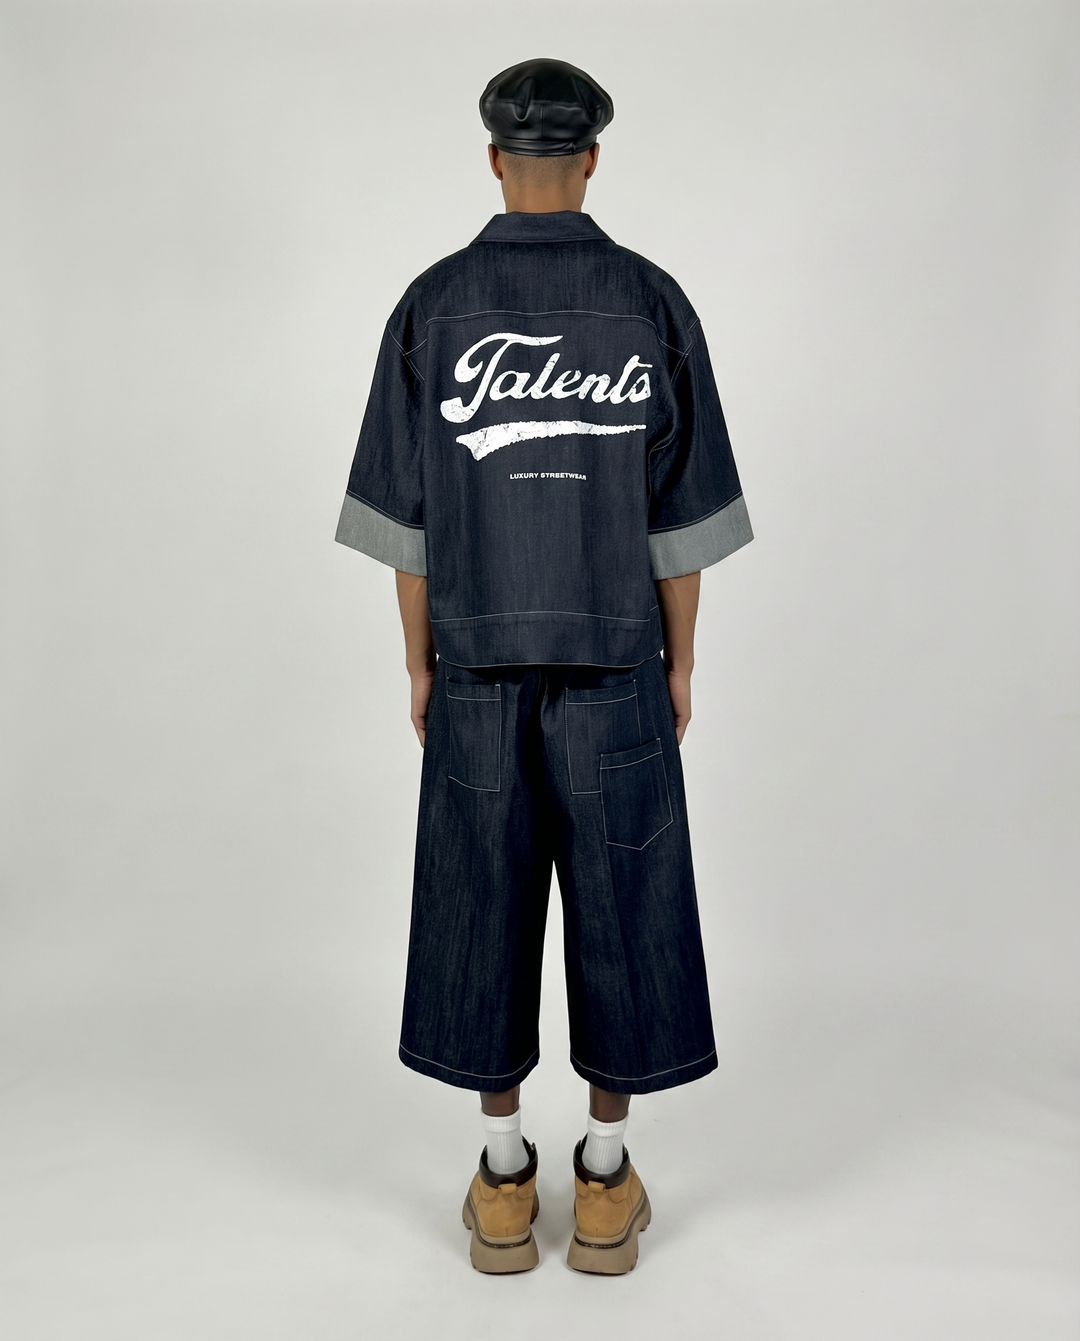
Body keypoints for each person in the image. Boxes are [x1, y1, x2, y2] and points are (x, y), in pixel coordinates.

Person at [335, 57, 752, 1275]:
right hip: (619, 665)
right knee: (629, 911)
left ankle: (504, 1178)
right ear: (592, 162)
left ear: (493, 161)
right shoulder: (651, 302)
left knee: (482, 905)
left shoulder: (432, 306)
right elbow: (681, 524)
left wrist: (418, 664)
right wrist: (680, 664)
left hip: (474, 669)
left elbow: (408, 528)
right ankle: (607, 1184)